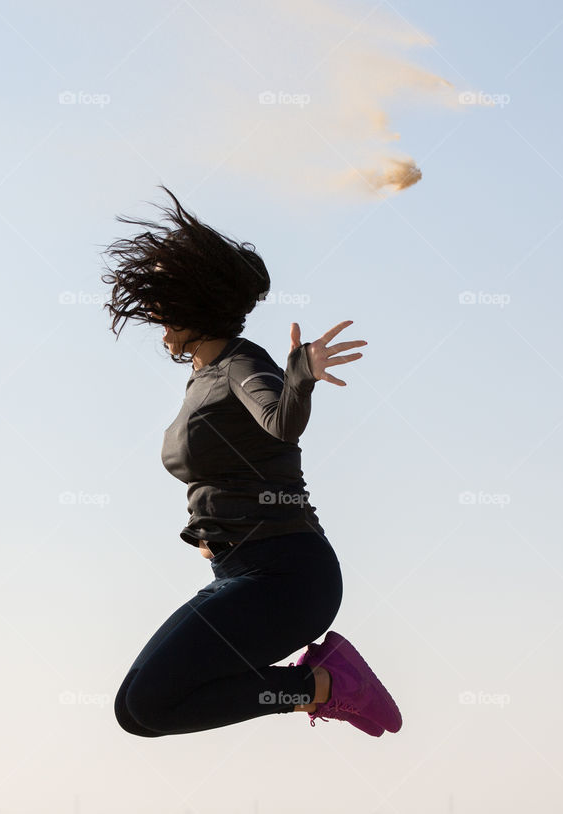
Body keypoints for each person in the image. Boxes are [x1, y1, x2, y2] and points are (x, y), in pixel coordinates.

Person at [100, 185, 401, 738]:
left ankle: (327, 686)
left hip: (286, 574)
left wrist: (301, 377)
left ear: (195, 308)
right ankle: (318, 686)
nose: (158, 322)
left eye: (165, 310)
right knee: (136, 711)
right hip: (237, 574)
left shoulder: (244, 364)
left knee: (152, 704)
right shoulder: (202, 379)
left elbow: (280, 421)